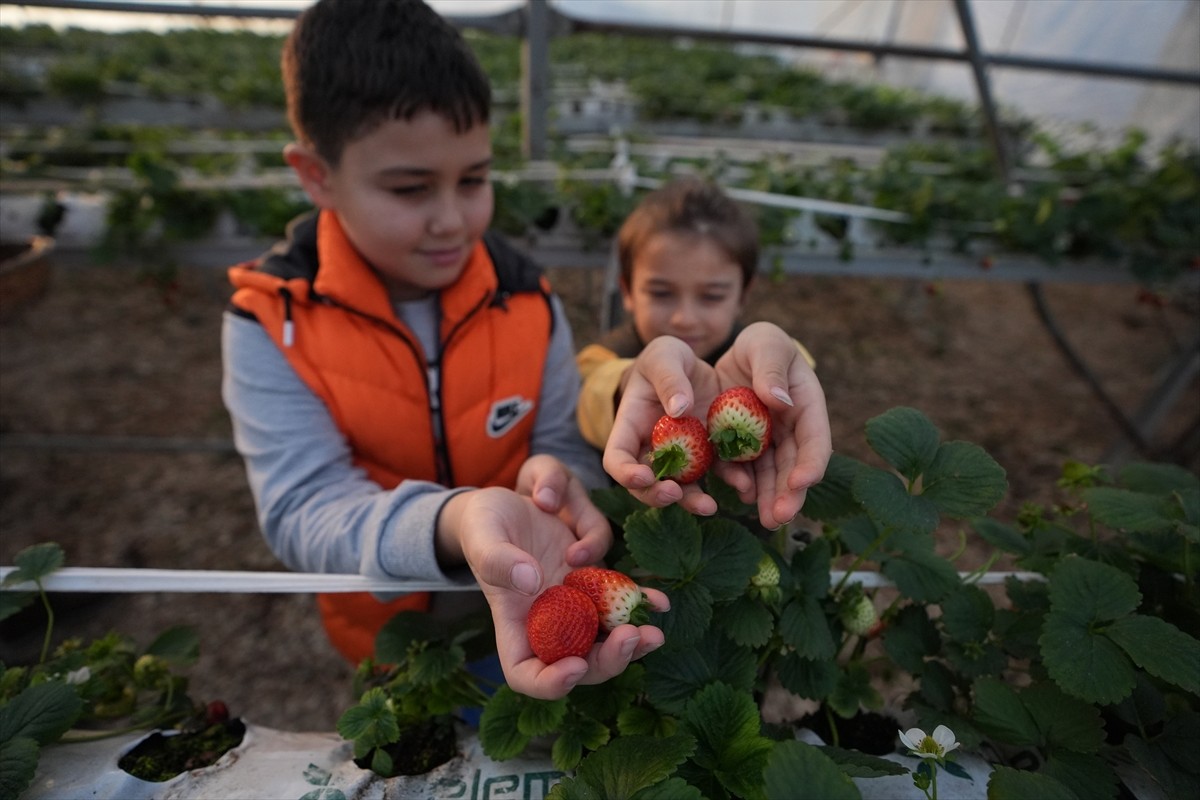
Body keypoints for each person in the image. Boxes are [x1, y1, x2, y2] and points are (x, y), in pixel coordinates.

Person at [220, 0, 667, 702]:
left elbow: (559, 440)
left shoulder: (525, 300)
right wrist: (451, 522)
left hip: (536, 600)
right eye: (409, 188)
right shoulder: (271, 322)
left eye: (475, 179)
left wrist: (557, 482)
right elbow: (304, 508)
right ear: (316, 175)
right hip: (390, 634)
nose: (453, 220)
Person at [576, 177, 827, 528]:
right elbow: (592, 392)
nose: (685, 318)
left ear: (743, 294)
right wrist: (634, 379)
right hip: (635, 539)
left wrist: (782, 353)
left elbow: (795, 361)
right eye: (661, 293)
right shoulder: (606, 354)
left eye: (711, 296)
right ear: (627, 291)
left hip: (742, 541)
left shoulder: (751, 355)